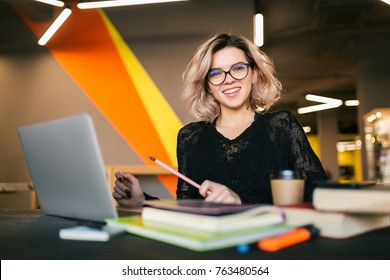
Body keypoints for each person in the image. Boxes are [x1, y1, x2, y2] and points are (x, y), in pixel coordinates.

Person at [112, 32, 328, 207]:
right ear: (207, 84)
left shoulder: (281, 126)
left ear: (254, 74)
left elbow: (319, 198)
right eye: (216, 73)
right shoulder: (190, 137)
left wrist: (240, 203)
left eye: (238, 68)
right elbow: (187, 209)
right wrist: (142, 202)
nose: (228, 80)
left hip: (270, 249)